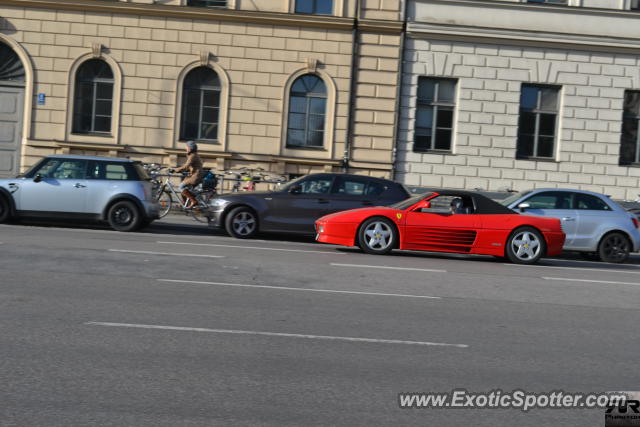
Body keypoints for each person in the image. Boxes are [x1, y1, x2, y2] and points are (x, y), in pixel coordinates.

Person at [170, 141, 204, 208]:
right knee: (183, 189)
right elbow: (191, 167)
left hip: (195, 176)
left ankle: (193, 201)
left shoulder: (192, 156)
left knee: (181, 187)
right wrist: (182, 171)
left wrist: (175, 170)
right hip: (195, 175)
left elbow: (186, 166)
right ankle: (185, 204)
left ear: (190, 148)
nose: (186, 148)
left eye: (187, 147)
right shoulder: (193, 155)